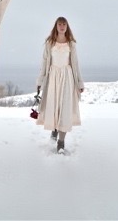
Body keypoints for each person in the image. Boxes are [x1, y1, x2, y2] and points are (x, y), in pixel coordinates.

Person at [36, 16, 84, 153]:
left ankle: (61, 142)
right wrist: (40, 81)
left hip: (67, 77)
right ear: (56, 26)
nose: (62, 26)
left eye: (64, 24)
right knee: (54, 106)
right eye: (59, 24)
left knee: (65, 108)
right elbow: (44, 63)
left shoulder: (71, 44)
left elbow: (75, 64)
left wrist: (79, 83)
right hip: (52, 77)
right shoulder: (49, 43)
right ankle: (54, 130)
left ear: (67, 26)